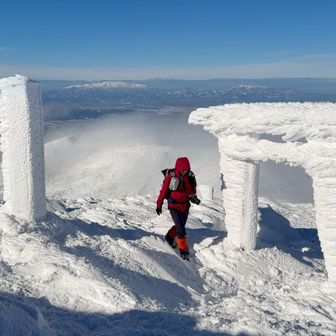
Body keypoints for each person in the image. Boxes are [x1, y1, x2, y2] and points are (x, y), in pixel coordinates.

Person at [156, 157, 201, 260]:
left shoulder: (189, 177)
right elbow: (163, 191)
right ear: (178, 168)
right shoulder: (171, 177)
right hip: (173, 206)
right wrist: (159, 205)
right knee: (181, 229)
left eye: (186, 169)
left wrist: (194, 198)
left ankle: (169, 236)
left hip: (185, 205)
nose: (185, 172)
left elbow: (192, 191)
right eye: (183, 170)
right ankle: (184, 250)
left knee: (180, 225)